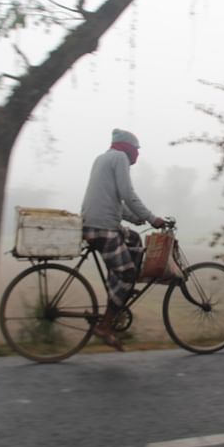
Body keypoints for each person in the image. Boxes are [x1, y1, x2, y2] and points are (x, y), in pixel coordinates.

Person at [81, 128, 165, 351]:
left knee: (135, 240)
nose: (137, 154)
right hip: (103, 229)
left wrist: (135, 218)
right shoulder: (119, 158)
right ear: (128, 148)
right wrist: (151, 218)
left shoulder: (103, 158)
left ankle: (121, 291)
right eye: (136, 150)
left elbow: (113, 199)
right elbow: (127, 193)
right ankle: (106, 325)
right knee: (127, 271)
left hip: (97, 223)